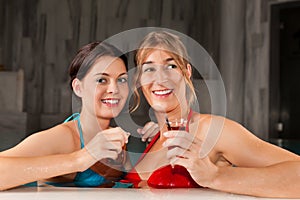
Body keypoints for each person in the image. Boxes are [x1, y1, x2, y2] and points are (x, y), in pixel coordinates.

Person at [126, 31, 300, 198]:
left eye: (171, 66)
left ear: (187, 71)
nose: (160, 78)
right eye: (149, 69)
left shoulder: (213, 130)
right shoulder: (156, 138)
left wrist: (215, 175)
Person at [0, 41, 156, 190]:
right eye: (102, 80)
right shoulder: (64, 138)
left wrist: (157, 141)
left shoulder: (115, 136)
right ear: (78, 88)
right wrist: (80, 159)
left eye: (122, 80)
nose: (114, 89)